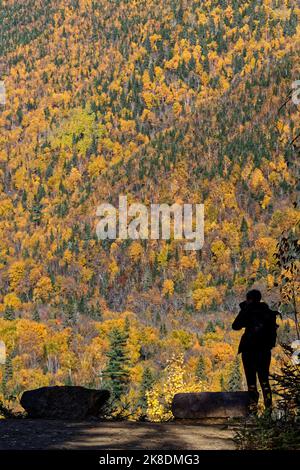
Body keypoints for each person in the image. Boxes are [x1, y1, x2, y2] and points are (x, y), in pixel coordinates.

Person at [232, 289, 279, 413]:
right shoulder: (268, 312)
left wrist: (244, 308)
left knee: (251, 382)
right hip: (264, 351)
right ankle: (268, 411)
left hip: (249, 351)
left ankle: (253, 411)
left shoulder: (248, 311)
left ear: (250, 299)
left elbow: (235, 326)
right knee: (264, 381)